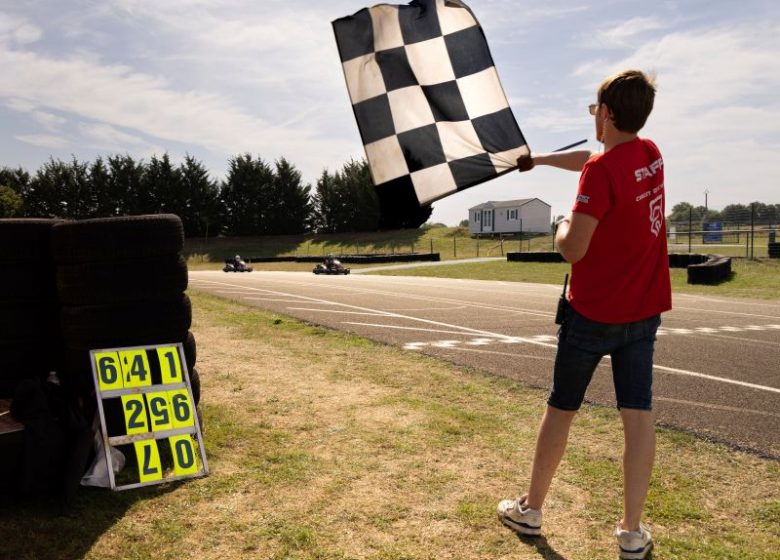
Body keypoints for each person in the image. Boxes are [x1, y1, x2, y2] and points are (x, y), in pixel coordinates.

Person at [497, 70, 671, 560]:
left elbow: (573, 249)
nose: (593, 117)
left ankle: (531, 509)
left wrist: (561, 222)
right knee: (637, 415)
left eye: (595, 110)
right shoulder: (649, 153)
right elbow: (595, 160)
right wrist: (541, 160)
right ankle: (632, 532)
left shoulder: (602, 172)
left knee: (561, 409)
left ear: (609, 114)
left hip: (593, 314)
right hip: (644, 311)